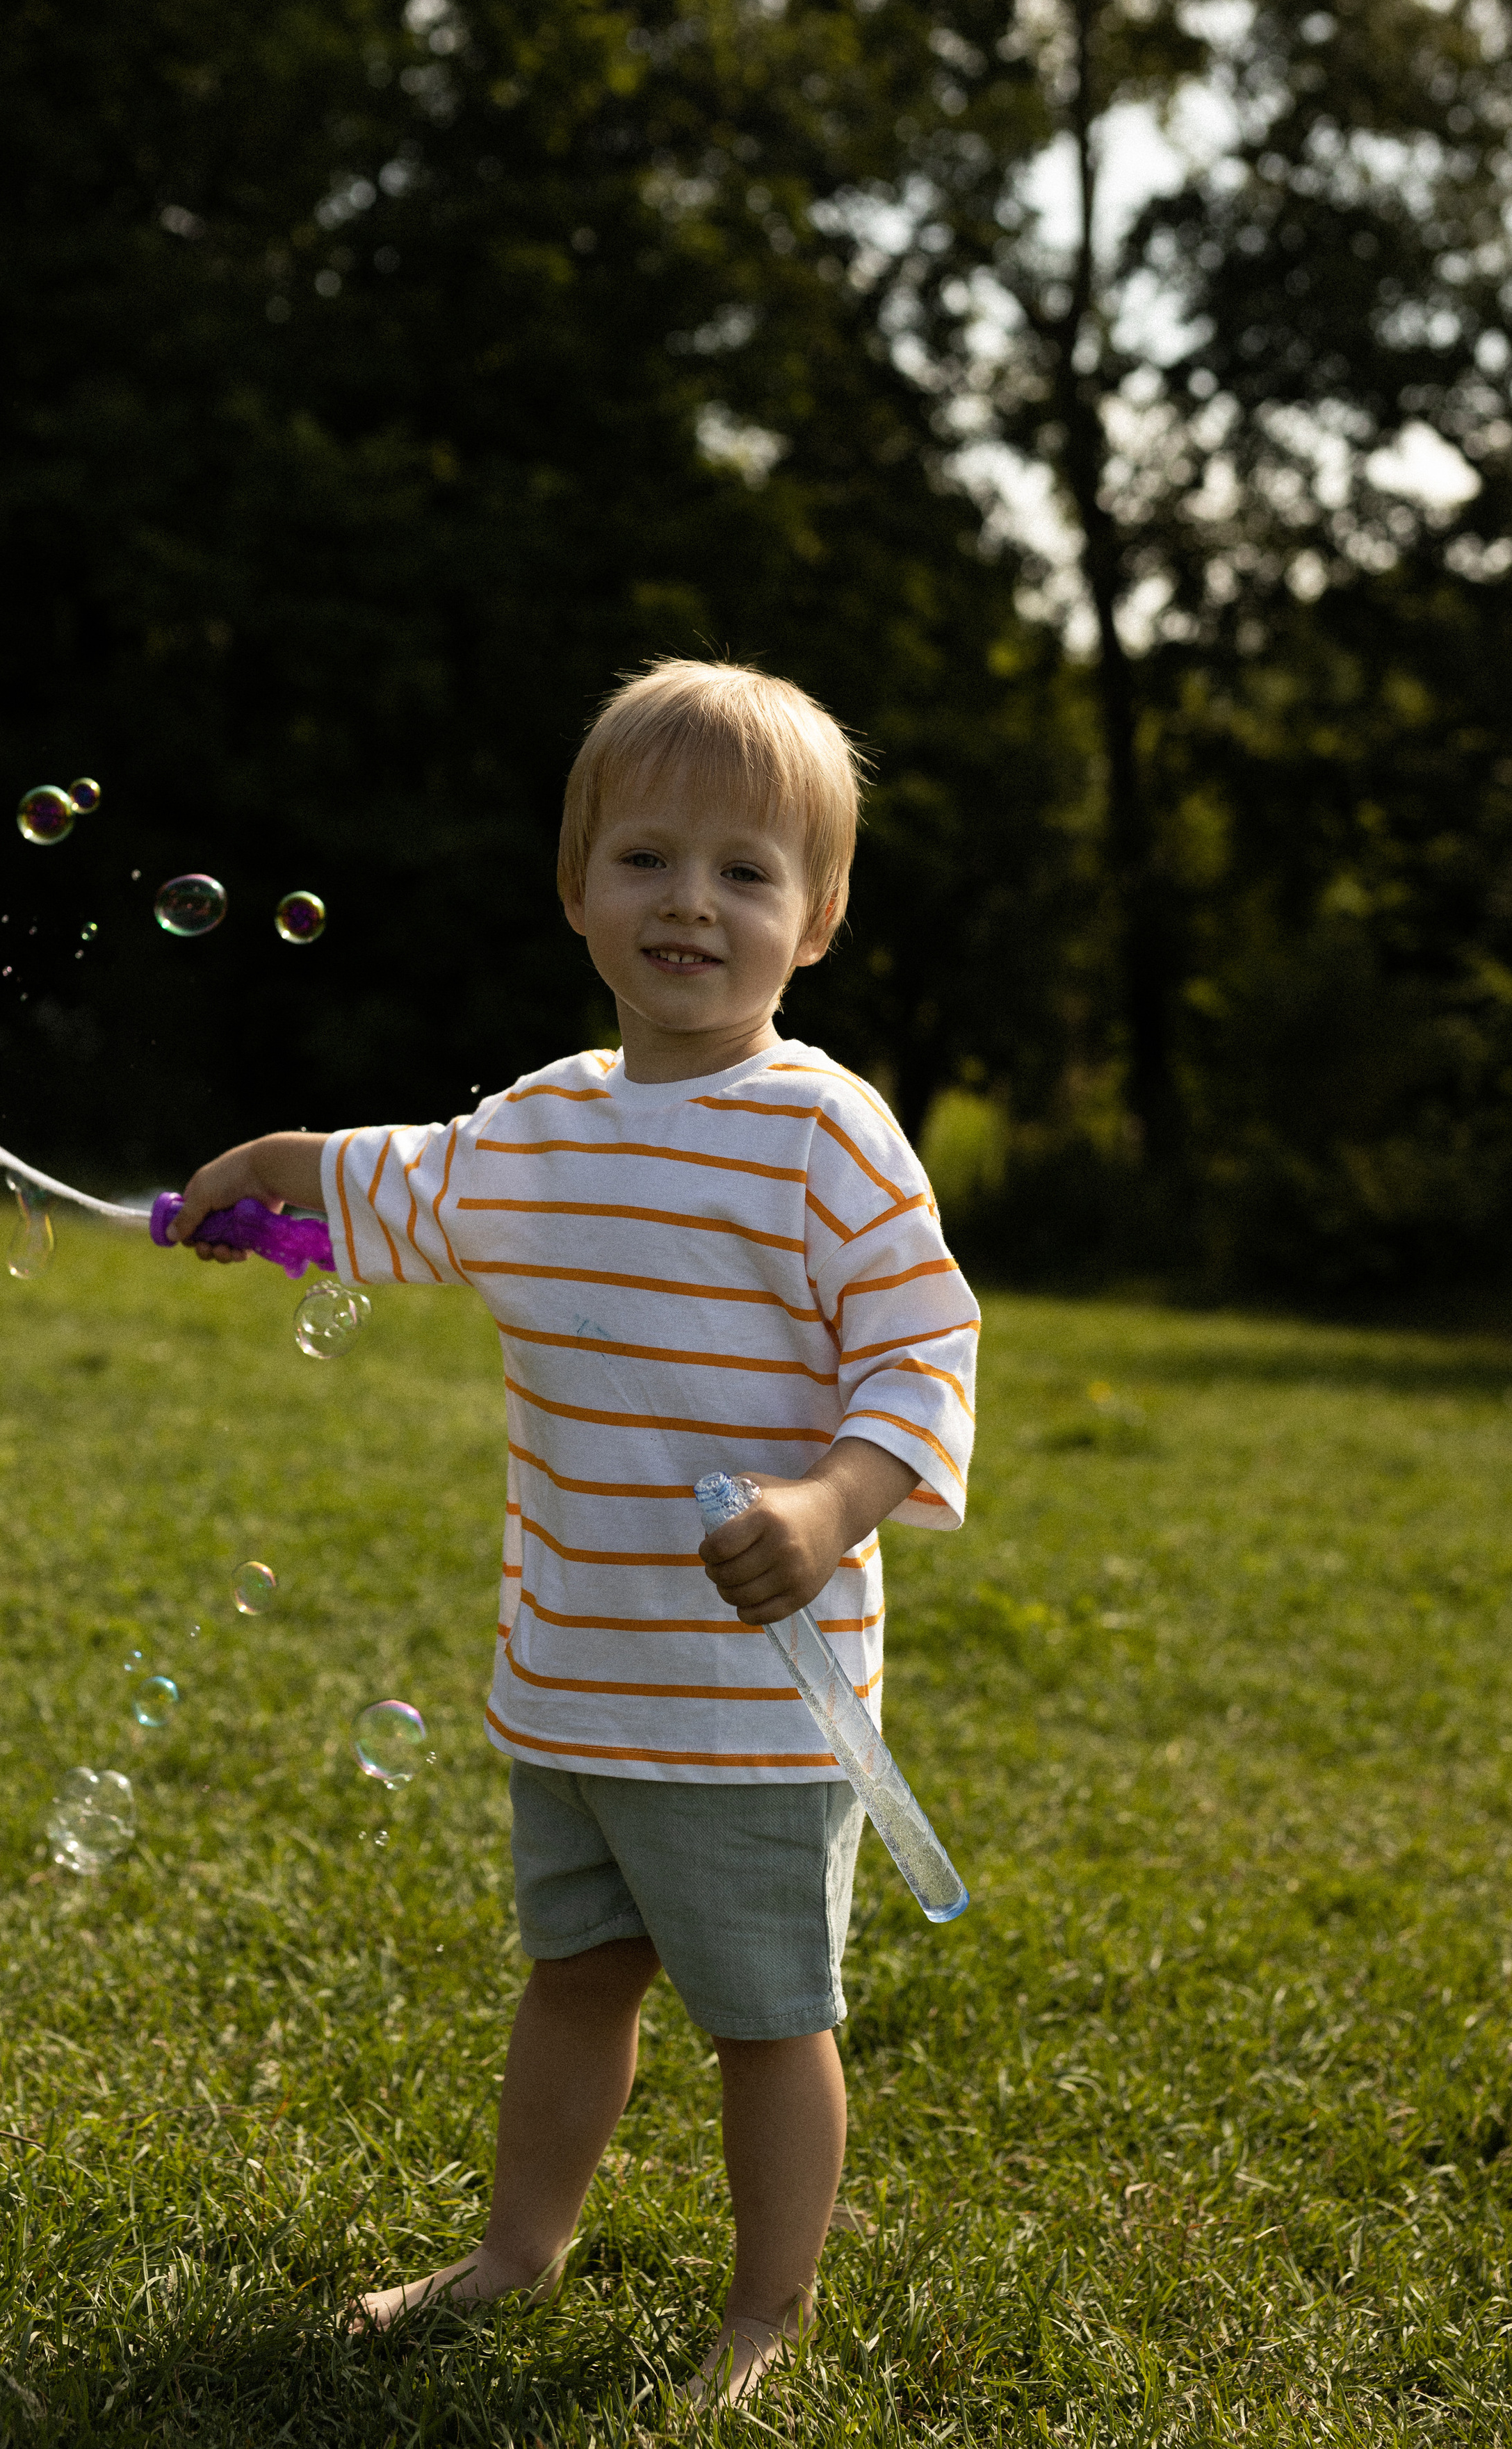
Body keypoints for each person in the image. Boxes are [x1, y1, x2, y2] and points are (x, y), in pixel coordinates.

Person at [162, 660, 979, 2405]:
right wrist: (270, 1171)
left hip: (753, 1702)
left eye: (746, 872)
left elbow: (925, 1351)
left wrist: (833, 1505)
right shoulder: (543, 1124)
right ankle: (515, 2251)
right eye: (646, 860)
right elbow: (404, 1173)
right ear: (575, 891)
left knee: (764, 2017)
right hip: (575, 1678)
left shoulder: (826, 1135)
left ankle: (769, 2307)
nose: (692, 901)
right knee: (573, 1980)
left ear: (816, 919)